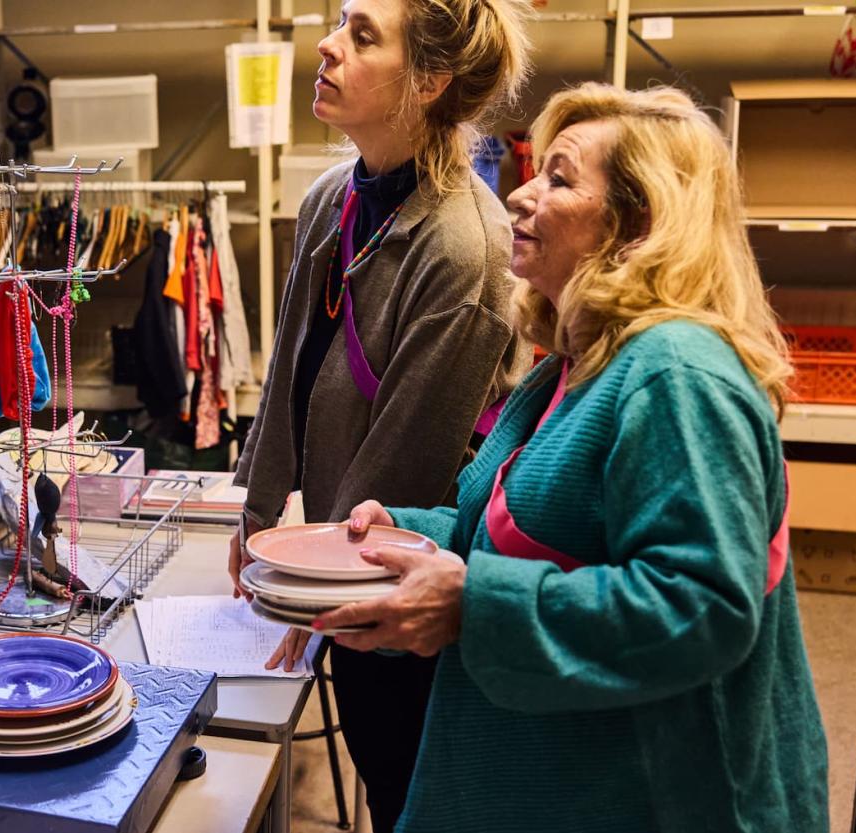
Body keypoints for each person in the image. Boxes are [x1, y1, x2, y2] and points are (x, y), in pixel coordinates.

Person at [314, 84, 829, 831]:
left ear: (637, 224)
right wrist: (403, 530)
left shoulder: (677, 374)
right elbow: (505, 524)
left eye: (558, 178)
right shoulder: (573, 365)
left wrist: (474, 603)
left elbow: (702, 605)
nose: (520, 194)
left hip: (676, 798)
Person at [226, 0, 531, 828]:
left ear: (427, 82)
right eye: (338, 23)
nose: (326, 45)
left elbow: (407, 463)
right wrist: (252, 511)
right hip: (338, 548)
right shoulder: (333, 196)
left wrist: (305, 583)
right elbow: (289, 361)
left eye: (362, 36)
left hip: (398, 570)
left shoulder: (467, 247)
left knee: (403, 781)